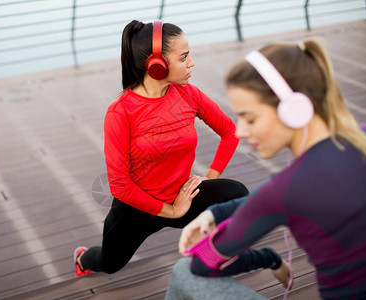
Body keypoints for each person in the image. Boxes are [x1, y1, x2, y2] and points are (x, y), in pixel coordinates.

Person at [74, 20, 284, 278]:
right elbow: (119, 186)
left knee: (236, 194)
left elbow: (229, 132)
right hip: (135, 209)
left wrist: (210, 177)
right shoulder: (120, 112)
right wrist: (171, 211)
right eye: (184, 57)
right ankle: (83, 258)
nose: (191, 63)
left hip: (182, 196)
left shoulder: (188, 94)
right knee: (111, 263)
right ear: (157, 65)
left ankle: (207, 259)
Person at [171, 37, 366, 299]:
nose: (241, 131)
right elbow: (267, 200)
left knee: (184, 270)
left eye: (250, 117)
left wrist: (210, 242)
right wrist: (215, 213)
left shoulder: (285, 191)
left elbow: (205, 263)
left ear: (293, 110)